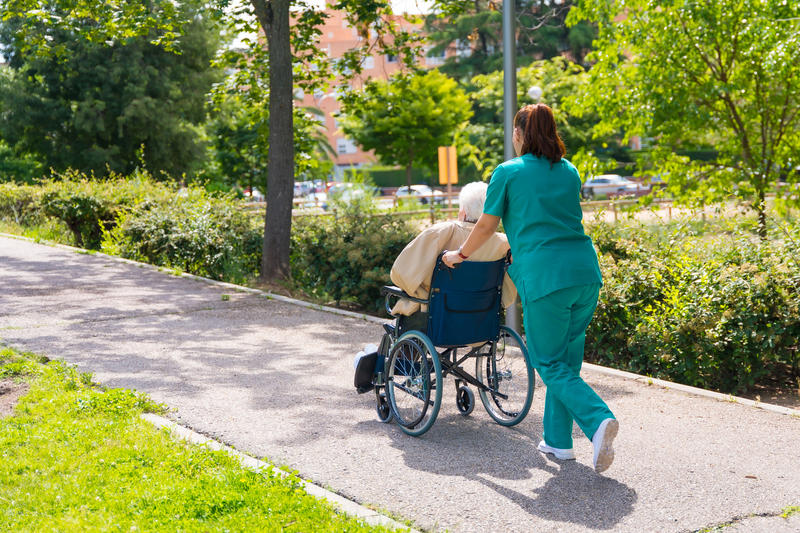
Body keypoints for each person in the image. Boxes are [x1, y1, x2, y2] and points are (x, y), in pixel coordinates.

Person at [442, 103, 619, 474]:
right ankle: (557, 441)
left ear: (520, 134)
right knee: (565, 361)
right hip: (585, 274)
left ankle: (598, 419)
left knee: (547, 360)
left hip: (546, 279)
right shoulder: (569, 171)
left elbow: (488, 225)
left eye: (513, 132)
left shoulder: (507, 172)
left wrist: (460, 254)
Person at [389, 181, 517, 319]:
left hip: (438, 319)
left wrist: (423, 290)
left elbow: (401, 273)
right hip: (481, 319)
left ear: (462, 211)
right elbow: (507, 294)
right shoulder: (505, 243)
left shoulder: (441, 232)